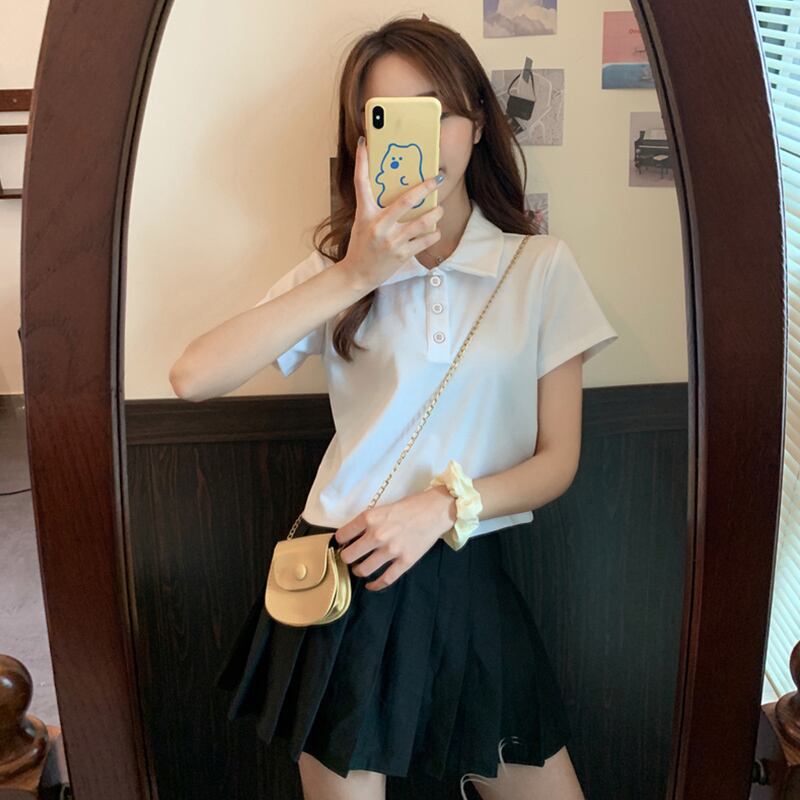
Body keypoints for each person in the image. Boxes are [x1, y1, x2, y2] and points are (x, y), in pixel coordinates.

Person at [172, 15, 618, 800]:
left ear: (476, 124)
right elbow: (192, 376)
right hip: (345, 573)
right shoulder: (339, 270)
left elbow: (558, 460)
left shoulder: (540, 267)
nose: (420, 136)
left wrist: (441, 507)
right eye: (388, 117)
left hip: (468, 572)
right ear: (363, 143)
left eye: (436, 110)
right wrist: (355, 273)